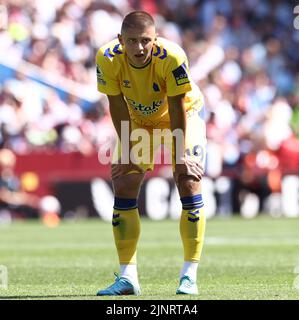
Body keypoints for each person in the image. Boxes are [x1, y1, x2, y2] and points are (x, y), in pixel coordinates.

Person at [95, 11, 207, 296]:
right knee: (124, 181)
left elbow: (178, 106)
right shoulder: (107, 58)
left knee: (188, 178)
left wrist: (180, 153)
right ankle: (127, 277)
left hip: (181, 116)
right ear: (121, 40)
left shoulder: (172, 57)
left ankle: (189, 276)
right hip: (141, 121)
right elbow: (117, 104)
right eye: (131, 41)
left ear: (155, 39)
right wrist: (129, 149)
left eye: (145, 40)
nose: (139, 48)